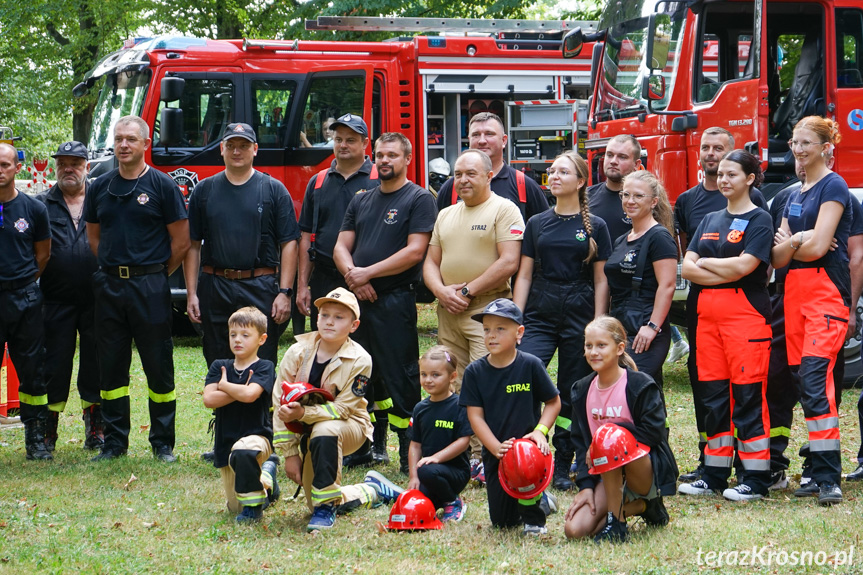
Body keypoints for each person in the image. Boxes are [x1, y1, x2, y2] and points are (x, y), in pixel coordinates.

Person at [84, 115, 190, 462]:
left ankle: (162, 442)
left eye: (131, 139)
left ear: (146, 144)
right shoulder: (99, 185)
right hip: (110, 288)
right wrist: (117, 269)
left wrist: (155, 273)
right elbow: (94, 236)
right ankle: (115, 442)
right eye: (118, 139)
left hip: (150, 287)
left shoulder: (162, 186)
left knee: (158, 365)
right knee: (111, 367)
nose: (123, 145)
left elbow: (181, 241)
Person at [333, 131, 437, 474]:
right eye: (379, 155)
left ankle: (410, 449)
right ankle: (362, 445)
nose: (384, 160)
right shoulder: (361, 199)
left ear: (407, 159)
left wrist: (366, 275)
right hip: (359, 303)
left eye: (392, 155)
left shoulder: (418, 198)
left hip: (394, 302)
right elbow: (340, 246)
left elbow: (415, 251)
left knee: (401, 375)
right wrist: (353, 276)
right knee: (361, 374)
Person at [424, 148, 525, 483]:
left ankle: (492, 455)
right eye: (458, 174)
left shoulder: (504, 209)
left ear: (488, 175)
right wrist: (442, 292)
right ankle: (464, 452)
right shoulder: (446, 214)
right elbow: (430, 262)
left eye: (470, 174)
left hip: (487, 311)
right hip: (448, 310)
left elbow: (509, 261)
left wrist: (465, 292)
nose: (463, 180)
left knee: (488, 383)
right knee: (456, 382)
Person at [512, 151, 612, 491]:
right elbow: (524, 275)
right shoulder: (537, 223)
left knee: (571, 388)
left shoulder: (595, 226)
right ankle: (525, 448)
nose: (554, 176)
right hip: (540, 308)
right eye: (552, 171)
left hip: (579, 310)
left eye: (563, 172)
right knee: (526, 373)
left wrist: (598, 321)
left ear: (580, 182)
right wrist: (516, 318)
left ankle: (563, 461)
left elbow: (601, 279)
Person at [678, 150, 774, 501]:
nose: (723, 180)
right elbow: (686, 268)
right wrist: (720, 266)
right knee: (714, 398)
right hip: (707, 321)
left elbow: (746, 267)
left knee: (748, 397)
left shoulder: (760, 219)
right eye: (720, 174)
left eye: (732, 174)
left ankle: (756, 479)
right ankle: (715, 474)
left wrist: (707, 263)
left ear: (750, 178)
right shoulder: (709, 219)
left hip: (745, 318)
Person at [273, 288, 403, 531]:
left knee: (326, 428)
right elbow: (279, 402)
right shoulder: (297, 351)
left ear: (354, 325)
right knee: (316, 498)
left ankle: (326, 509)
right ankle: (371, 490)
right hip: (307, 430)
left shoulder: (360, 359)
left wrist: (303, 414)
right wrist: (290, 453)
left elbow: (343, 409)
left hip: (348, 426)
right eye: (324, 315)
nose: (329, 321)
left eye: (339, 317)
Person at [771, 116, 852, 505]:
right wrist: (802, 239)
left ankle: (828, 477)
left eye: (807, 142)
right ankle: (817, 471)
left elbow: (819, 247)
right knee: (805, 385)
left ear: (825, 147)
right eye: (794, 142)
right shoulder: (791, 195)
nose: (799, 149)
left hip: (825, 296)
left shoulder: (834, 186)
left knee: (816, 380)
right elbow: (777, 258)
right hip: (793, 295)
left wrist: (797, 239)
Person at [184, 122, 299, 369]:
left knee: (261, 361)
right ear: (222, 149)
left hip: (260, 287)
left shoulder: (273, 190)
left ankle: (259, 408)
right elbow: (192, 245)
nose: (237, 151)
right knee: (218, 361)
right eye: (231, 146)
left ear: (255, 149)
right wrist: (192, 293)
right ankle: (223, 408)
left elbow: (289, 243)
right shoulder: (203, 191)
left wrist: (285, 292)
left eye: (244, 146)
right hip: (215, 287)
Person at [564, 316, 676, 543]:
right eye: (588, 346)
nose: (594, 352)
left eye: (601, 345)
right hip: (605, 474)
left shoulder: (639, 384)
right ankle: (643, 507)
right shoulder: (582, 389)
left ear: (620, 348)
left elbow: (654, 433)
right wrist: (585, 487)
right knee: (575, 531)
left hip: (641, 471)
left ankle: (618, 523)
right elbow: (581, 443)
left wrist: (611, 432)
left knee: (608, 438)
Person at [459, 298, 561, 535]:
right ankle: (543, 499)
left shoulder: (531, 365)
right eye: (486, 330)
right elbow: (475, 417)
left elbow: (553, 402)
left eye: (500, 329)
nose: (491, 336)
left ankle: (536, 515)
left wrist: (540, 431)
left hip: (529, 453)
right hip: (498, 453)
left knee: (526, 506)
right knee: (503, 522)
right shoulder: (475, 372)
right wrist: (495, 448)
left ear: (519, 332)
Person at [37, 141, 102, 452]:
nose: (68, 168)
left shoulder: (101, 200)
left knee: (96, 364)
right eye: (63, 163)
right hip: (54, 300)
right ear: (56, 167)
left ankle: (96, 429)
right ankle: (47, 431)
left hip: (97, 300)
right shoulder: (40, 205)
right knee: (54, 366)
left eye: (75, 163)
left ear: (87, 167)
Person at [297, 114, 379, 334]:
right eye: (338, 139)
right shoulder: (318, 182)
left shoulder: (379, 180)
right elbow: (306, 236)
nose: (343, 145)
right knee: (326, 345)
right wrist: (303, 285)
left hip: (369, 283)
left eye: (350, 140)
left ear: (365, 143)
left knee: (365, 350)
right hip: (325, 279)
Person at [202, 307, 280, 523]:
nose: (238, 340)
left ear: (262, 339)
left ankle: (255, 509)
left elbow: (250, 395)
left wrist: (225, 386)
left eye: (246, 335)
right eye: (233, 334)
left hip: (257, 439)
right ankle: (267, 480)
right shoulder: (220, 366)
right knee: (235, 507)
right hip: (226, 443)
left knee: (244, 453)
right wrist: (240, 389)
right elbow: (209, 400)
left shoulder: (265, 366)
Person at [0, 143, 52, 460]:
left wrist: (24, 281)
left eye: (5, 164)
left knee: (32, 371)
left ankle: (35, 440)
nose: (0, 170)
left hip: (24, 297)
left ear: (16, 168)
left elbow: (43, 255)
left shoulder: (34, 209)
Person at [604, 171, 677, 385]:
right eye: (626, 195)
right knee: (646, 394)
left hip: (645, 328)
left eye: (638, 196)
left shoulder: (659, 237)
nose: (630, 201)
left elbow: (668, 285)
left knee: (631, 386)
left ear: (654, 202)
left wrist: (652, 326)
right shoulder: (622, 240)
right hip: (620, 324)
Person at [435, 112, 548, 220]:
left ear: (504, 140)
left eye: (489, 134)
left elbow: (543, 232)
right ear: (469, 140)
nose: (482, 141)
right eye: (476, 135)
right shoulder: (453, 187)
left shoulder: (524, 186)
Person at [406, 345, 472, 522]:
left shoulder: (460, 406)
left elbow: (464, 441)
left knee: (426, 470)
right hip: (427, 472)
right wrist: (413, 477)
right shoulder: (420, 409)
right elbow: (415, 444)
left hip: (455, 472)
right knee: (417, 504)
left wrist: (437, 458)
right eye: (424, 374)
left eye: (436, 375)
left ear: (452, 377)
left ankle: (453, 501)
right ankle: (439, 498)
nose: (428, 380)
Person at [587, 134, 642, 242]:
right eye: (609, 155)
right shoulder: (586, 196)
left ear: (636, 164)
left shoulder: (646, 200)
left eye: (622, 157)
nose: (613, 161)